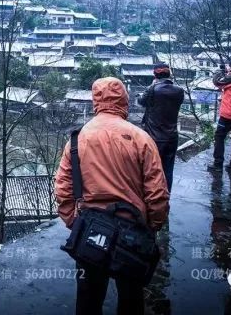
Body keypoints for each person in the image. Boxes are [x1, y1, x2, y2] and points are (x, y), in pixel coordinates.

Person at [55, 77, 169, 315]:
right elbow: (157, 192)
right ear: (124, 100)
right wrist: (152, 226)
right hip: (133, 232)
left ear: (96, 100)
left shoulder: (77, 140)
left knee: (88, 299)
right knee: (131, 299)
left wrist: (74, 223)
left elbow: (63, 188)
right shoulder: (141, 138)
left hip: (91, 231)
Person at [137, 62, 185, 192]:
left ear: (155, 75)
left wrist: (152, 86)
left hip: (154, 138)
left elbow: (141, 101)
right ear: (169, 74)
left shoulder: (153, 89)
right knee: (168, 170)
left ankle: (153, 197)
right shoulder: (179, 91)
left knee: (152, 170)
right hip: (172, 137)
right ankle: (166, 195)